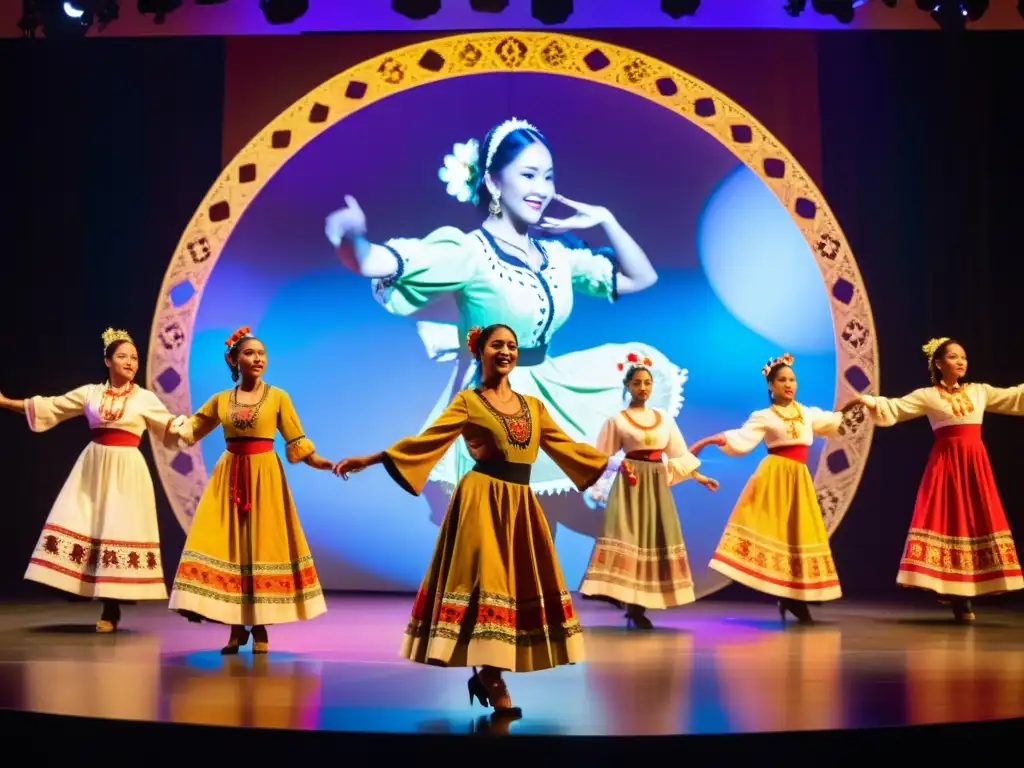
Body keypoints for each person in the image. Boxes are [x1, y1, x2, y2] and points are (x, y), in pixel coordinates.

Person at [324, 117, 685, 541]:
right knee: (498, 524)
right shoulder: (469, 252)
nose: (542, 189)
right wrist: (351, 237)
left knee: (536, 529)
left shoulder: (557, 254)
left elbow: (642, 279)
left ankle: (530, 605)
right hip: (490, 403)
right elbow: (371, 262)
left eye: (548, 176)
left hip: (549, 391)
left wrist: (605, 219)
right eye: (528, 175)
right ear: (493, 182)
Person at [332, 323, 609, 717]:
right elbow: (428, 439)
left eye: (512, 345)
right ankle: (493, 678)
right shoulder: (469, 401)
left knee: (513, 587)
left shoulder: (533, 406)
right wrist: (373, 459)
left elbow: (566, 445)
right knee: (487, 583)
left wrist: (613, 464)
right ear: (479, 351)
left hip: (519, 505)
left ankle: (488, 674)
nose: (507, 352)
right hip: (481, 501)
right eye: (497, 345)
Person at [0, 328, 185, 632]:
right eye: (123, 356)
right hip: (94, 465)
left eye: (134, 358)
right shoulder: (90, 393)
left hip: (127, 470)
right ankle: (73, 585)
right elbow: (52, 406)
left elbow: (171, 427)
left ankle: (111, 609)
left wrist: (196, 425)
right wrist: (7, 402)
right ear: (107, 361)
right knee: (85, 523)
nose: (130, 362)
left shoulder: (145, 398)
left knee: (117, 529)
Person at [168, 326, 335, 653]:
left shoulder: (278, 397)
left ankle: (259, 628)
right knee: (231, 547)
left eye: (261, 353)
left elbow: (297, 441)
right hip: (229, 476)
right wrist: (160, 420)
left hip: (265, 477)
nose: (257, 358)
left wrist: (326, 464)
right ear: (234, 360)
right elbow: (189, 431)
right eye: (249, 353)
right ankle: (234, 627)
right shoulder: (220, 400)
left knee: (260, 547)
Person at [852, 338, 1024, 621]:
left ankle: (966, 592)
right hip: (946, 466)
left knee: (976, 520)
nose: (961, 362)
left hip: (975, 465)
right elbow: (895, 408)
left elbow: (1013, 397)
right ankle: (955, 592)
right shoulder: (928, 395)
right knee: (949, 520)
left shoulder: (979, 392)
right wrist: (867, 400)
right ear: (939, 363)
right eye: (954, 357)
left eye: (964, 357)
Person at [689, 353, 847, 624]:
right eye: (782, 380)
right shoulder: (764, 416)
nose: (789, 384)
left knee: (798, 536)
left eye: (792, 379)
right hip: (774, 477)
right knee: (777, 535)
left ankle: (794, 595)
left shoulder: (806, 413)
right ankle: (789, 598)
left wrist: (857, 406)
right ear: (771, 386)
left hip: (799, 479)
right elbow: (742, 439)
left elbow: (831, 422)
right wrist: (717, 439)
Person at [578, 353, 719, 629]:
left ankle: (638, 606)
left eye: (647, 383)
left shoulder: (663, 419)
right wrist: (620, 465)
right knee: (628, 538)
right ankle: (622, 597)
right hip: (630, 485)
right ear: (628, 386)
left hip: (655, 484)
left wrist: (699, 476)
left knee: (653, 540)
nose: (643, 387)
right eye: (637, 383)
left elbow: (678, 453)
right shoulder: (617, 420)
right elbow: (601, 456)